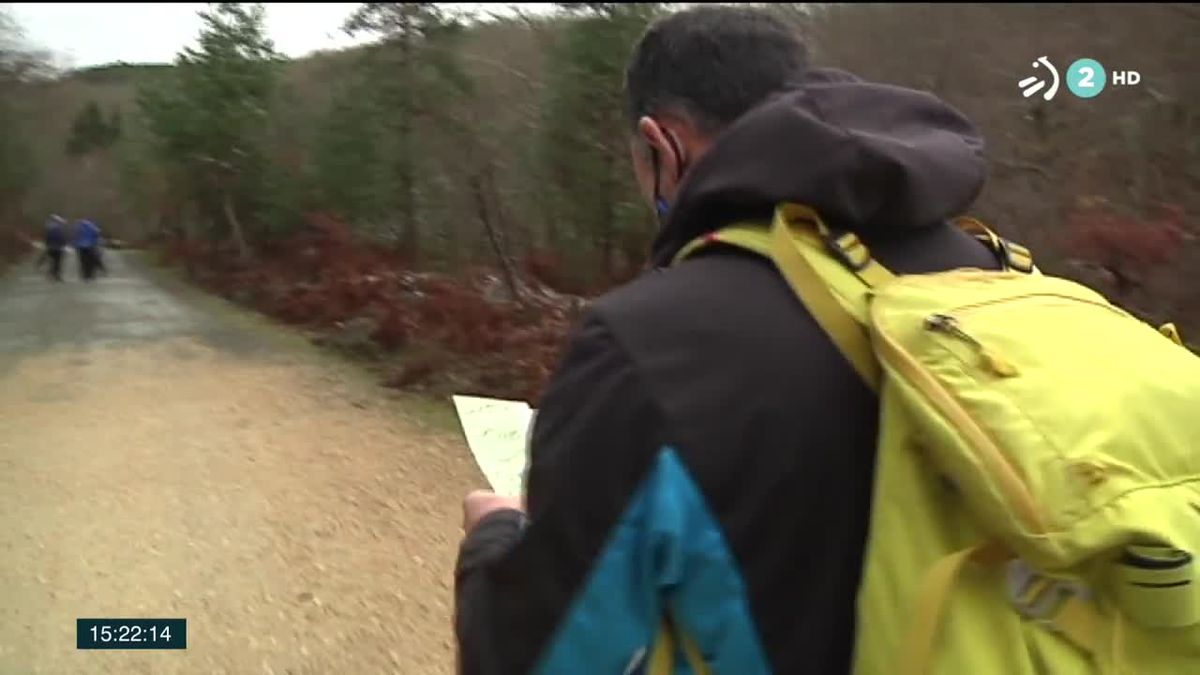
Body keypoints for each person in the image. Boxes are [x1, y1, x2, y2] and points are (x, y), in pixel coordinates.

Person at [453, 6, 1004, 674]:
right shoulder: (995, 273)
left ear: (663, 147)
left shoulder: (647, 346)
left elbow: (528, 655)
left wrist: (495, 532)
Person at [40, 214, 68, 281]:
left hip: (51, 247)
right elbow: (62, 238)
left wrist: (47, 245)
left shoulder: (49, 228)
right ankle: (57, 275)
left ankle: (51, 274)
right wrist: (64, 245)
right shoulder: (59, 229)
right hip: (58, 248)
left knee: (52, 262)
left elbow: (47, 238)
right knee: (57, 262)